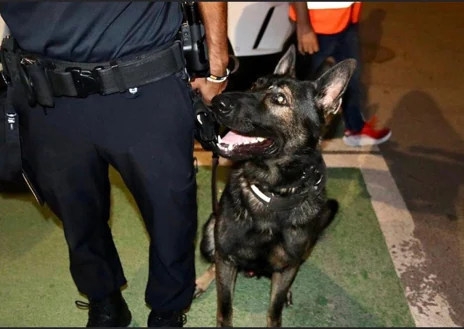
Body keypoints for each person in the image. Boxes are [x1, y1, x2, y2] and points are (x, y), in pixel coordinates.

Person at [0, 2, 228, 327]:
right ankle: (104, 301)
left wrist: (217, 67)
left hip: (146, 83)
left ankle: (168, 309)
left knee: (171, 212)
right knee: (77, 214)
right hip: (45, 92)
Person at [290, 2, 392, 147]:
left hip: (345, 19)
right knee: (303, 85)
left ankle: (355, 129)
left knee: (351, 76)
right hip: (317, 23)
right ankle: (293, 138)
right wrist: (304, 26)